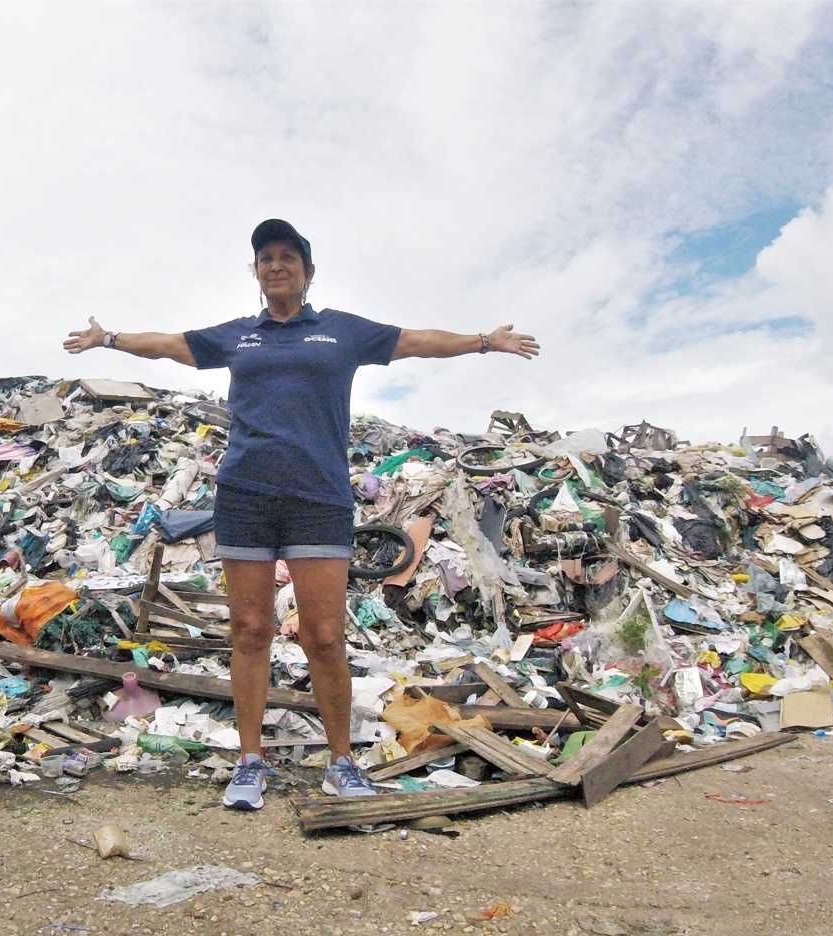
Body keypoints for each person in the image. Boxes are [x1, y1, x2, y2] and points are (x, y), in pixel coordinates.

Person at [64, 219, 539, 810]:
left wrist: (485, 341)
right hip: (245, 497)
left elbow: (416, 340)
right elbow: (173, 345)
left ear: (308, 273)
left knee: (324, 635)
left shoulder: (341, 332)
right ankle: (249, 761)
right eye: (266, 258)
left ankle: (342, 762)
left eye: (288, 257)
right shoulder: (240, 336)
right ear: (257, 273)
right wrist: (109, 338)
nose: (276, 265)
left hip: (319, 498)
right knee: (250, 631)